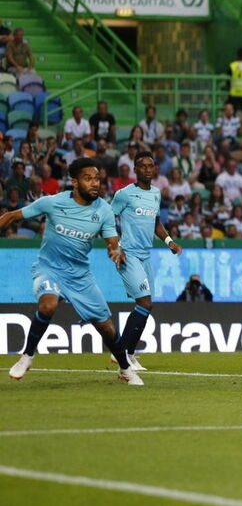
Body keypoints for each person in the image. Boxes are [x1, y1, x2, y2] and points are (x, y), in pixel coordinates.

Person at [0, 158, 143, 386]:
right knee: (48, 304)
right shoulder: (53, 202)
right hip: (49, 268)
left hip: (80, 276)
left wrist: (115, 250)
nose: (95, 183)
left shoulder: (104, 210)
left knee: (107, 327)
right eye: (88, 179)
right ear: (74, 182)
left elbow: (111, 241)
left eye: (97, 178)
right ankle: (27, 356)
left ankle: (125, 368)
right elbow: (10, 216)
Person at [110, 151, 183, 371]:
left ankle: (128, 354)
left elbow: (156, 223)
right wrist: (114, 247)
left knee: (146, 305)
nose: (148, 169)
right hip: (128, 253)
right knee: (145, 303)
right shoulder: (124, 194)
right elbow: (107, 219)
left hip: (146, 255)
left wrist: (169, 241)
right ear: (135, 169)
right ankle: (121, 351)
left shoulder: (156, 194)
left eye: (151, 166)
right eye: (143, 166)